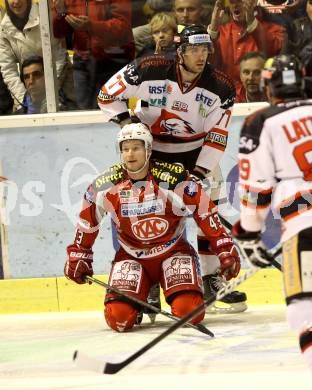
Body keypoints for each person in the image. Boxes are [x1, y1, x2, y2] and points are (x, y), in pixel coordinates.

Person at [97, 24, 247, 314]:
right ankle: (149, 280)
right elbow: (106, 96)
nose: (200, 56)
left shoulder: (222, 87)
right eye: (193, 50)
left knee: (209, 206)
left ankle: (210, 276)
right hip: (151, 152)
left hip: (193, 152)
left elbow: (217, 136)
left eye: (204, 49)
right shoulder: (147, 68)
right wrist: (131, 126)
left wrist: (199, 174)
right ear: (180, 52)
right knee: (145, 209)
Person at [64, 123, 241, 332]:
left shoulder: (174, 180)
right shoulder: (104, 185)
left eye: (136, 148)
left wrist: (224, 247)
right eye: (125, 148)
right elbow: (87, 222)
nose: (130, 154)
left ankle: (156, 292)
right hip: (131, 256)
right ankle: (138, 295)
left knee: (189, 312)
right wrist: (79, 255)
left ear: (148, 150)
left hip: (172, 252)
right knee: (118, 319)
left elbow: (205, 213)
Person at [232, 54, 312, 371]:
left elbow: (256, 187)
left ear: (268, 85)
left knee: (305, 315)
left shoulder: (260, 121)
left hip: (304, 226)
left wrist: (250, 235)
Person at [52, 0, 135, 109]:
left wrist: (92, 26)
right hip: (83, 60)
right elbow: (58, 32)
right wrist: (60, 14)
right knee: (83, 113)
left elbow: (123, 27)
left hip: (112, 60)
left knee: (114, 112)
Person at [0, 0, 74, 111]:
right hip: (29, 84)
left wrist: (49, 93)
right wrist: (24, 99)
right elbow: (8, 69)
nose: (16, 2)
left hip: (59, 80)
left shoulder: (45, 15)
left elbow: (59, 57)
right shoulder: (3, 28)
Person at [208, 0, 285, 95]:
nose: (235, 5)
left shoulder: (275, 30)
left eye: (240, 1)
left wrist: (252, 23)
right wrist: (212, 32)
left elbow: (273, 52)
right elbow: (207, 65)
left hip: (263, 98)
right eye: (232, 1)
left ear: (254, 2)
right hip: (225, 99)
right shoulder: (219, 33)